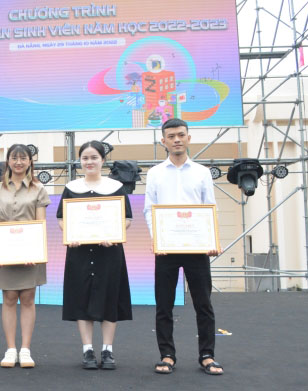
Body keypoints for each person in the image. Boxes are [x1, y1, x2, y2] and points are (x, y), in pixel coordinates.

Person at [143, 118, 223, 375]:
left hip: (197, 248)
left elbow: (210, 207)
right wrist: (157, 239)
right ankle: (167, 355)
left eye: (181, 135)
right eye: (171, 136)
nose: (176, 139)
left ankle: (207, 356)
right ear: (163, 141)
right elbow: (149, 209)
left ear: (189, 138)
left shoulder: (201, 172)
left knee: (203, 303)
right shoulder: (155, 173)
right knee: (163, 305)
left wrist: (211, 241)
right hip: (165, 249)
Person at [56, 140, 133, 370]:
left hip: (109, 252)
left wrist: (114, 234)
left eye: (94, 157)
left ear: (103, 160)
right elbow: (61, 218)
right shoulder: (71, 187)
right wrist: (71, 233)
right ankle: (87, 349)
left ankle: (107, 350)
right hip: (79, 252)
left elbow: (126, 218)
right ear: (80, 161)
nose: (89, 162)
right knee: (82, 298)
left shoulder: (116, 187)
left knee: (110, 297)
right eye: (85, 158)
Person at [0, 144, 50, 368]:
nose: (19, 162)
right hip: (5, 252)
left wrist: (36, 251)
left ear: (30, 162)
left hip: (30, 253)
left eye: (23, 158)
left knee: (28, 298)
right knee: (9, 298)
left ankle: (25, 350)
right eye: (15, 158)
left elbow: (40, 223)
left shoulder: (38, 188)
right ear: (8, 161)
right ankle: (10, 349)